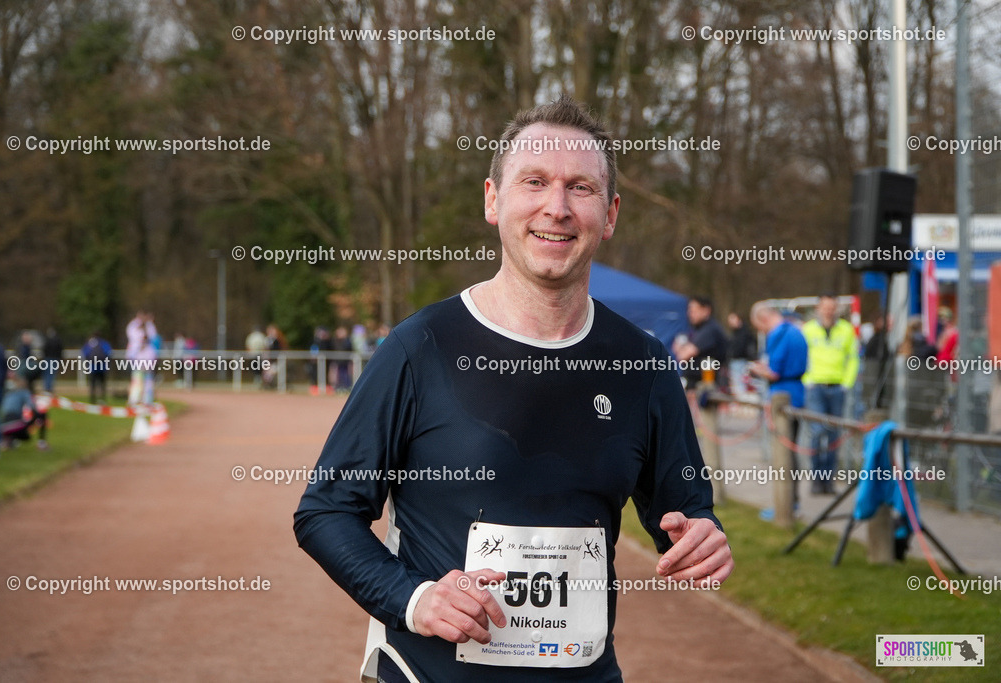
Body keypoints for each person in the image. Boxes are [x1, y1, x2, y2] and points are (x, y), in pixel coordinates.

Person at [294, 95, 732, 683]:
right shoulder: (419, 347)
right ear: (493, 199)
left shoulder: (643, 364)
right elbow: (326, 512)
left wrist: (703, 536)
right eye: (534, 182)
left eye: (581, 188)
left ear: (611, 214)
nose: (557, 207)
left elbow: (686, 513)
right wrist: (414, 598)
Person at [749, 304, 808, 512]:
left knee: (783, 451)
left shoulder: (779, 334)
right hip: (798, 394)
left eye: (759, 327)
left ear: (764, 319)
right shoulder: (796, 331)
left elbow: (774, 372)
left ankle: (787, 505)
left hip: (782, 397)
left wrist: (756, 370)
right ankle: (793, 502)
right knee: (790, 449)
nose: (762, 332)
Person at [801, 295, 859, 494]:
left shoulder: (846, 330)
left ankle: (829, 480)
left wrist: (847, 382)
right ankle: (817, 479)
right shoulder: (808, 330)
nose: (828, 311)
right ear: (818, 308)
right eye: (825, 307)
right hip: (815, 386)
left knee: (834, 435)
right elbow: (801, 355)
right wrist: (806, 379)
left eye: (832, 307)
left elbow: (853, 358)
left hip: (837, 387)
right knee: (817, 433)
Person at [674, 296, 728, 390]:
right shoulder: (696, 329)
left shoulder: (710, 330)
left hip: (707, 386)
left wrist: (681, 349)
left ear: (706, 310)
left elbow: (684, 355)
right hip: (695, 384)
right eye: (689, 310)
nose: (690, 314)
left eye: (693, 310)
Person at [0, 375, 48, 450]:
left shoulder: (6, 392)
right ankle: (42, 443)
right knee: (41, 415)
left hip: (2, 425)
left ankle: (8, 440)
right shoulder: (24, 392)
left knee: (16, 421)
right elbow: (32, 407)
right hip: (15, 424)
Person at [726, 311, 757, 396]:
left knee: (740, 387)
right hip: (736, 363)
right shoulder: (735, 333)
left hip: (741, 362)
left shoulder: (745, 333)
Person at [82, 332, 112, 404]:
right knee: (102, 385)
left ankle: (92, 400)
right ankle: (103, 399)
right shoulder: (104, 343)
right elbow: (109, 352)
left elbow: (84, 352)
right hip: (102, 367)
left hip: (92, 367)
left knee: (92, 385)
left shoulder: (90, 343)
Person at [43, 328, 64, 394]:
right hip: (55, 359)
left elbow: (44, 349)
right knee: (52, 374)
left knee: (48, 374)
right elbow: (60, 349)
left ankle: (47, 388)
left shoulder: (47, 340)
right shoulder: (58, 340)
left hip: (48, 358)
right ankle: (50, 388)